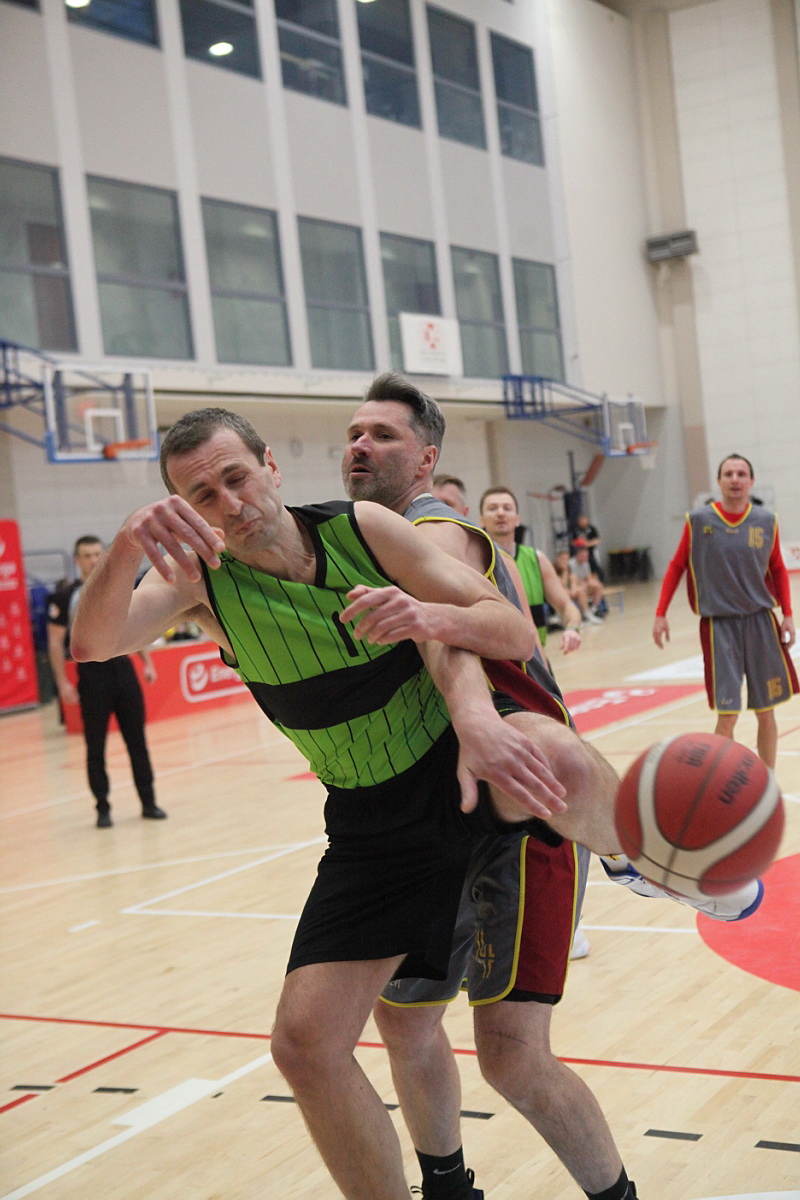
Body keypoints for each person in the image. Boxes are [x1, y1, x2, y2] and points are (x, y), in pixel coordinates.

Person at [71, 406, 579, 1200]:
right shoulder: (198, 579)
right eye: (202, 496)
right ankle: (445, 1186)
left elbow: (506, 629)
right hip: (371, 826)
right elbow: (93, 643)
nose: (230, 504)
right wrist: (131, 543)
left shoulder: (363, 529)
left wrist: (431, 629)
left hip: (452, 774)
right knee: (307, 1045)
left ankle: (660, 858)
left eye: (236, 478)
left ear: (270, 467)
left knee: (551, 752)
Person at [341, 374, 761, 1200]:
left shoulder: (435, 528)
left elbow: (445, 625)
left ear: (425, 459)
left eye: (383, 434)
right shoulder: (349, 544)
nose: (361, 444)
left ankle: (640, 854)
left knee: (511, 1054)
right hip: (428, 817)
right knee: (405, 1020)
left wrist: (475, 698)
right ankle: (448, 1187)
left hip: (522, 807)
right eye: (354, 432)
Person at [653, 453, 797, 768]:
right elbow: (677, 565)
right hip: (720, 627)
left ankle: (768, 779)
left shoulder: (765, 521)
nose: (735, 479)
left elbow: (778, 569)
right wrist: (660, 613)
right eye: (728, 474)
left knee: (766, 711)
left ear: (751, 481)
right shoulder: (699, 521)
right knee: (727, 714)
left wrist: (787, 614)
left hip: (761, 623)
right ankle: (722, 783)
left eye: (741, 474)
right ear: (718, 481)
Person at [47, 535, 165, 828]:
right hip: (91, 676)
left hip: (123, 670)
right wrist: (62, 682)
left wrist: (147, 662)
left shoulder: (118, 589)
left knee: (137, 741)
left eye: (97, 554)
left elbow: (133, 626)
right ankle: (102, 807)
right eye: (86, 555)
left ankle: (148, 802)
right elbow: (55, 642)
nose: (92, 560)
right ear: (77, 560)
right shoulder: (66, 596)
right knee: (95, 744)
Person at [479, 487, 584, 655]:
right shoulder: (473, 562)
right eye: (492, 508)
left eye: (507, 508)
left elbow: (566, 606)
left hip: (535, 658)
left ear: (517, 519)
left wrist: (572, 628)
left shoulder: (537, 559)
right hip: (495, 661)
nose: (500, 513)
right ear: (481, 520)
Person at [570, 538, 605, 622]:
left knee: (598, 586)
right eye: (584, 555)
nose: (586, 557)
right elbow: (573, 580)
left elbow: (589, 578)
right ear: (579, 554)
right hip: (574, 587)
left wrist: (592, 582)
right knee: (581, 590)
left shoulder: (586, 564)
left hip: (583, 584)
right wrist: (584, 583)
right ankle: (586, 613)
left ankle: (593, 609)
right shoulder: (571, 564)